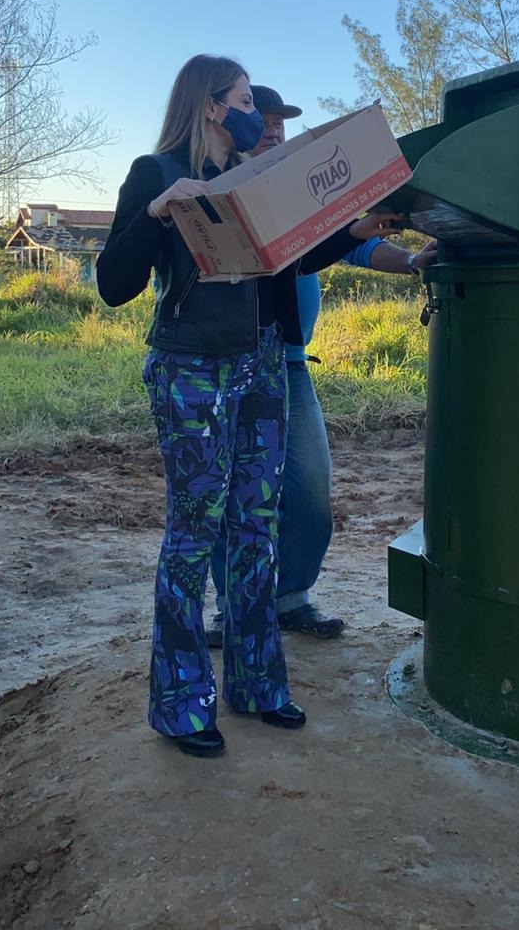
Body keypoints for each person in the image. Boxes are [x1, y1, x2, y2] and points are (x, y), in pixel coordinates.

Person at [96, 55, 397, 758]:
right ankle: (179, 703)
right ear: (209, 104)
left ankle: (258, 682)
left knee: (255, 526)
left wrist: (351, 232)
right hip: (191, 368)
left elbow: (288, 258)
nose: (253, 115)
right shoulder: (158, 172)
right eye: (240, 100)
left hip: (261, 365)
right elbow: (114, 283)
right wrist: (153, 214)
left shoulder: (255, 179)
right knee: (194, 532)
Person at [207, 84, 437, 646]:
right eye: (262, 120)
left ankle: (291, 598)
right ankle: (232, 609)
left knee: (310, 488)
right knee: (234, 494)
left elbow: (349, 245)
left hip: (290, 365)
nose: (274, 130)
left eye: (281, 123)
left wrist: (410, 261)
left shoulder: (301, 199)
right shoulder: (220, 194)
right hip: (230, 366)